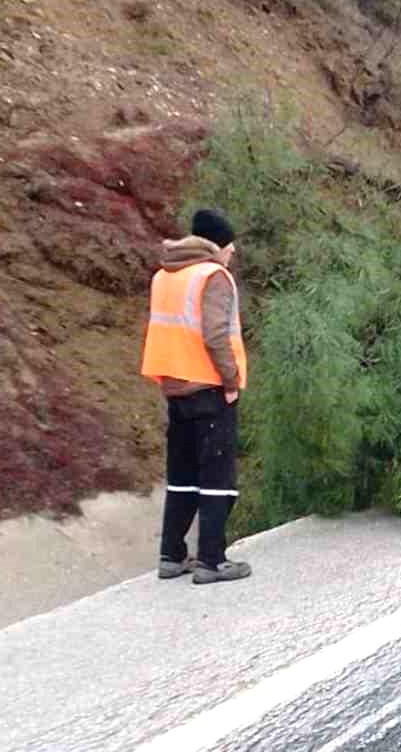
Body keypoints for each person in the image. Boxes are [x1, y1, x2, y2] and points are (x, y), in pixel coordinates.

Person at [141, 209, 252, 584]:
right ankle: (211, 560)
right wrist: (232, 379)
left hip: (175, 387)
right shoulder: (213, 276)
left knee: (183, 475)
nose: (232, 254)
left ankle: (171, 555)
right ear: (217, 245)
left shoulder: (165, 275)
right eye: (230, 248)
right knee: (218, 475)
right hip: (209, 387)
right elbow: (215, 334)